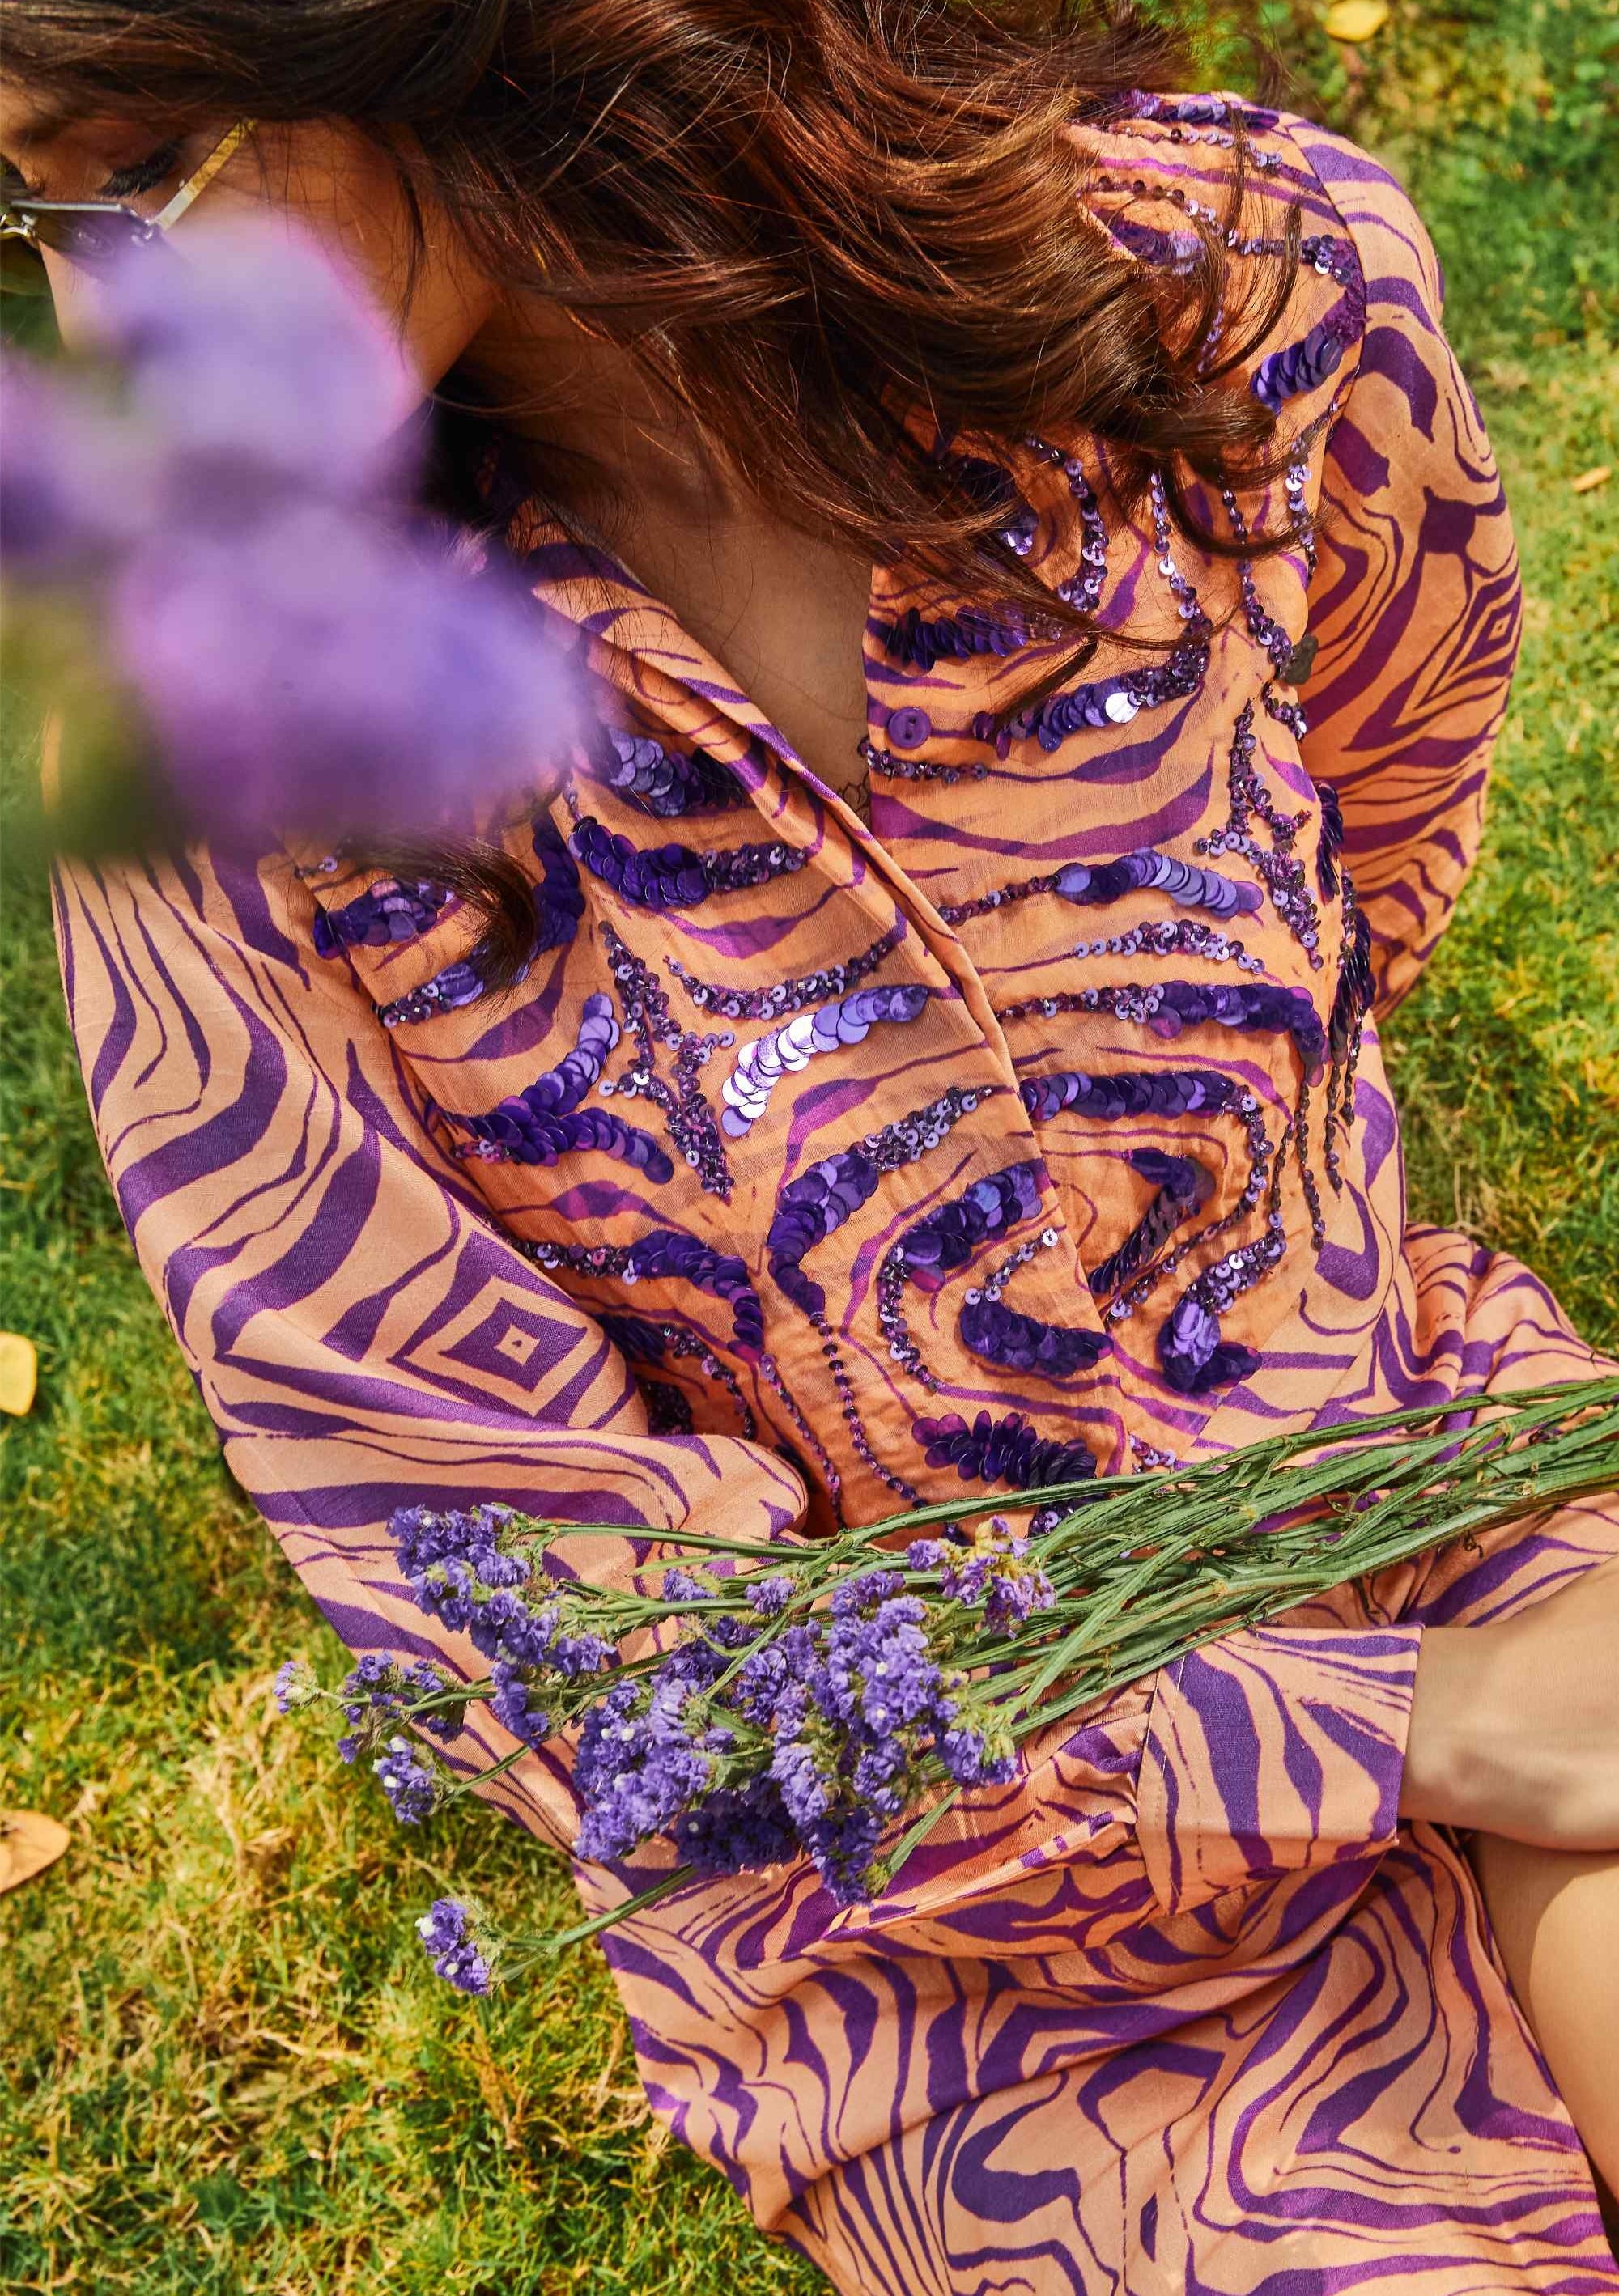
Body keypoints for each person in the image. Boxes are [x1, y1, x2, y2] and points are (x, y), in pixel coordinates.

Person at [4, 5, 1617, 2286]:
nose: (95, 327)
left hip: (1421, 1473)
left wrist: (1464, 1645)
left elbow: (1386, 815)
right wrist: (1407, 1731)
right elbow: (546, 1617)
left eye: (141, 172)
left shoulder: (1226, 296)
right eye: (32, 210)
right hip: (952, 1897)